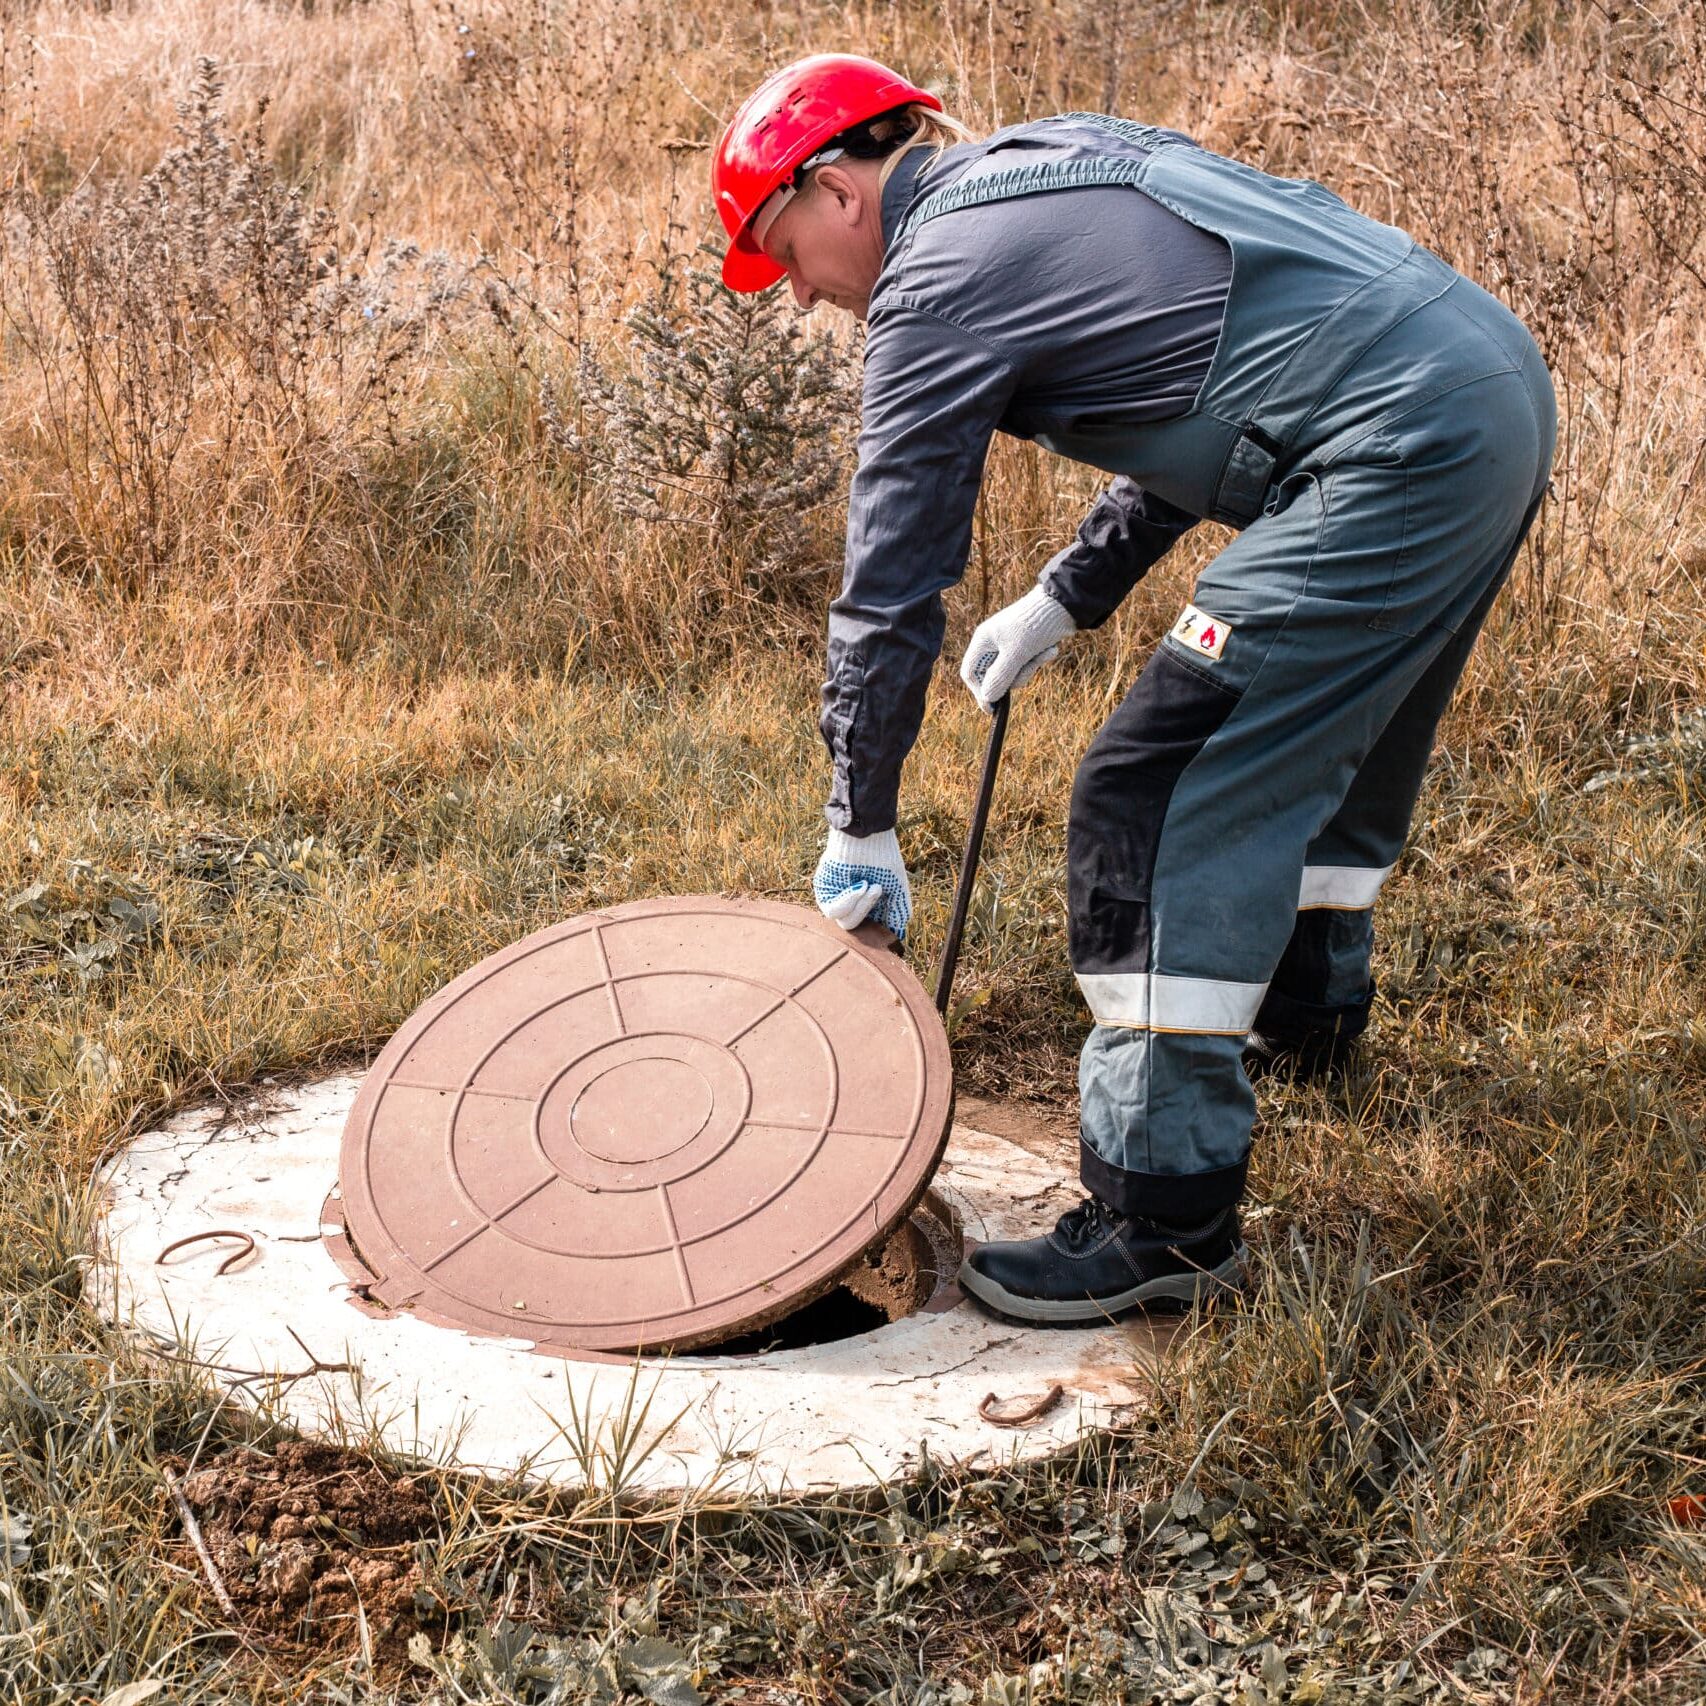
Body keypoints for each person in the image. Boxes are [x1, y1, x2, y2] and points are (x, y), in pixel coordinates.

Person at [711, 54, 1556, 1325]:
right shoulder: (1055, 155)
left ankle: (1161, 1215)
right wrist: (1067, 592)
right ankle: (1303, 1015)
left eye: (787, 256)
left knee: (1149, 788)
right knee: (1323, 724)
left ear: (834, 190)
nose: (809, 299)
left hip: (1390, 439)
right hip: (1483, 382)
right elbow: (1226, 374)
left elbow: (888, 589)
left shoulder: (928, 283)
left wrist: (858, 817)